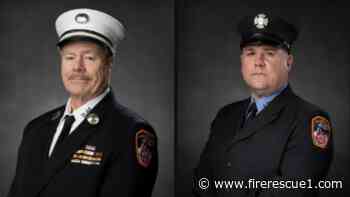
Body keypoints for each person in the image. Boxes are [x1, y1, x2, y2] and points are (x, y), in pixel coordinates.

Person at [8, 8, 158, 197]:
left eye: (89, 57)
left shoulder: (130, 132)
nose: (77, 67)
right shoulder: (35, 129)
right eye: (69, 57)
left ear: (109, 63)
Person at [193, 13, 333, 197]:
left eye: (269, 53)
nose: (258, 62)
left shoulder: (311, 120)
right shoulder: (225, 115)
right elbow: (201, 182)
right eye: (251, 53)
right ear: (242, 61)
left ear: (288, 62)